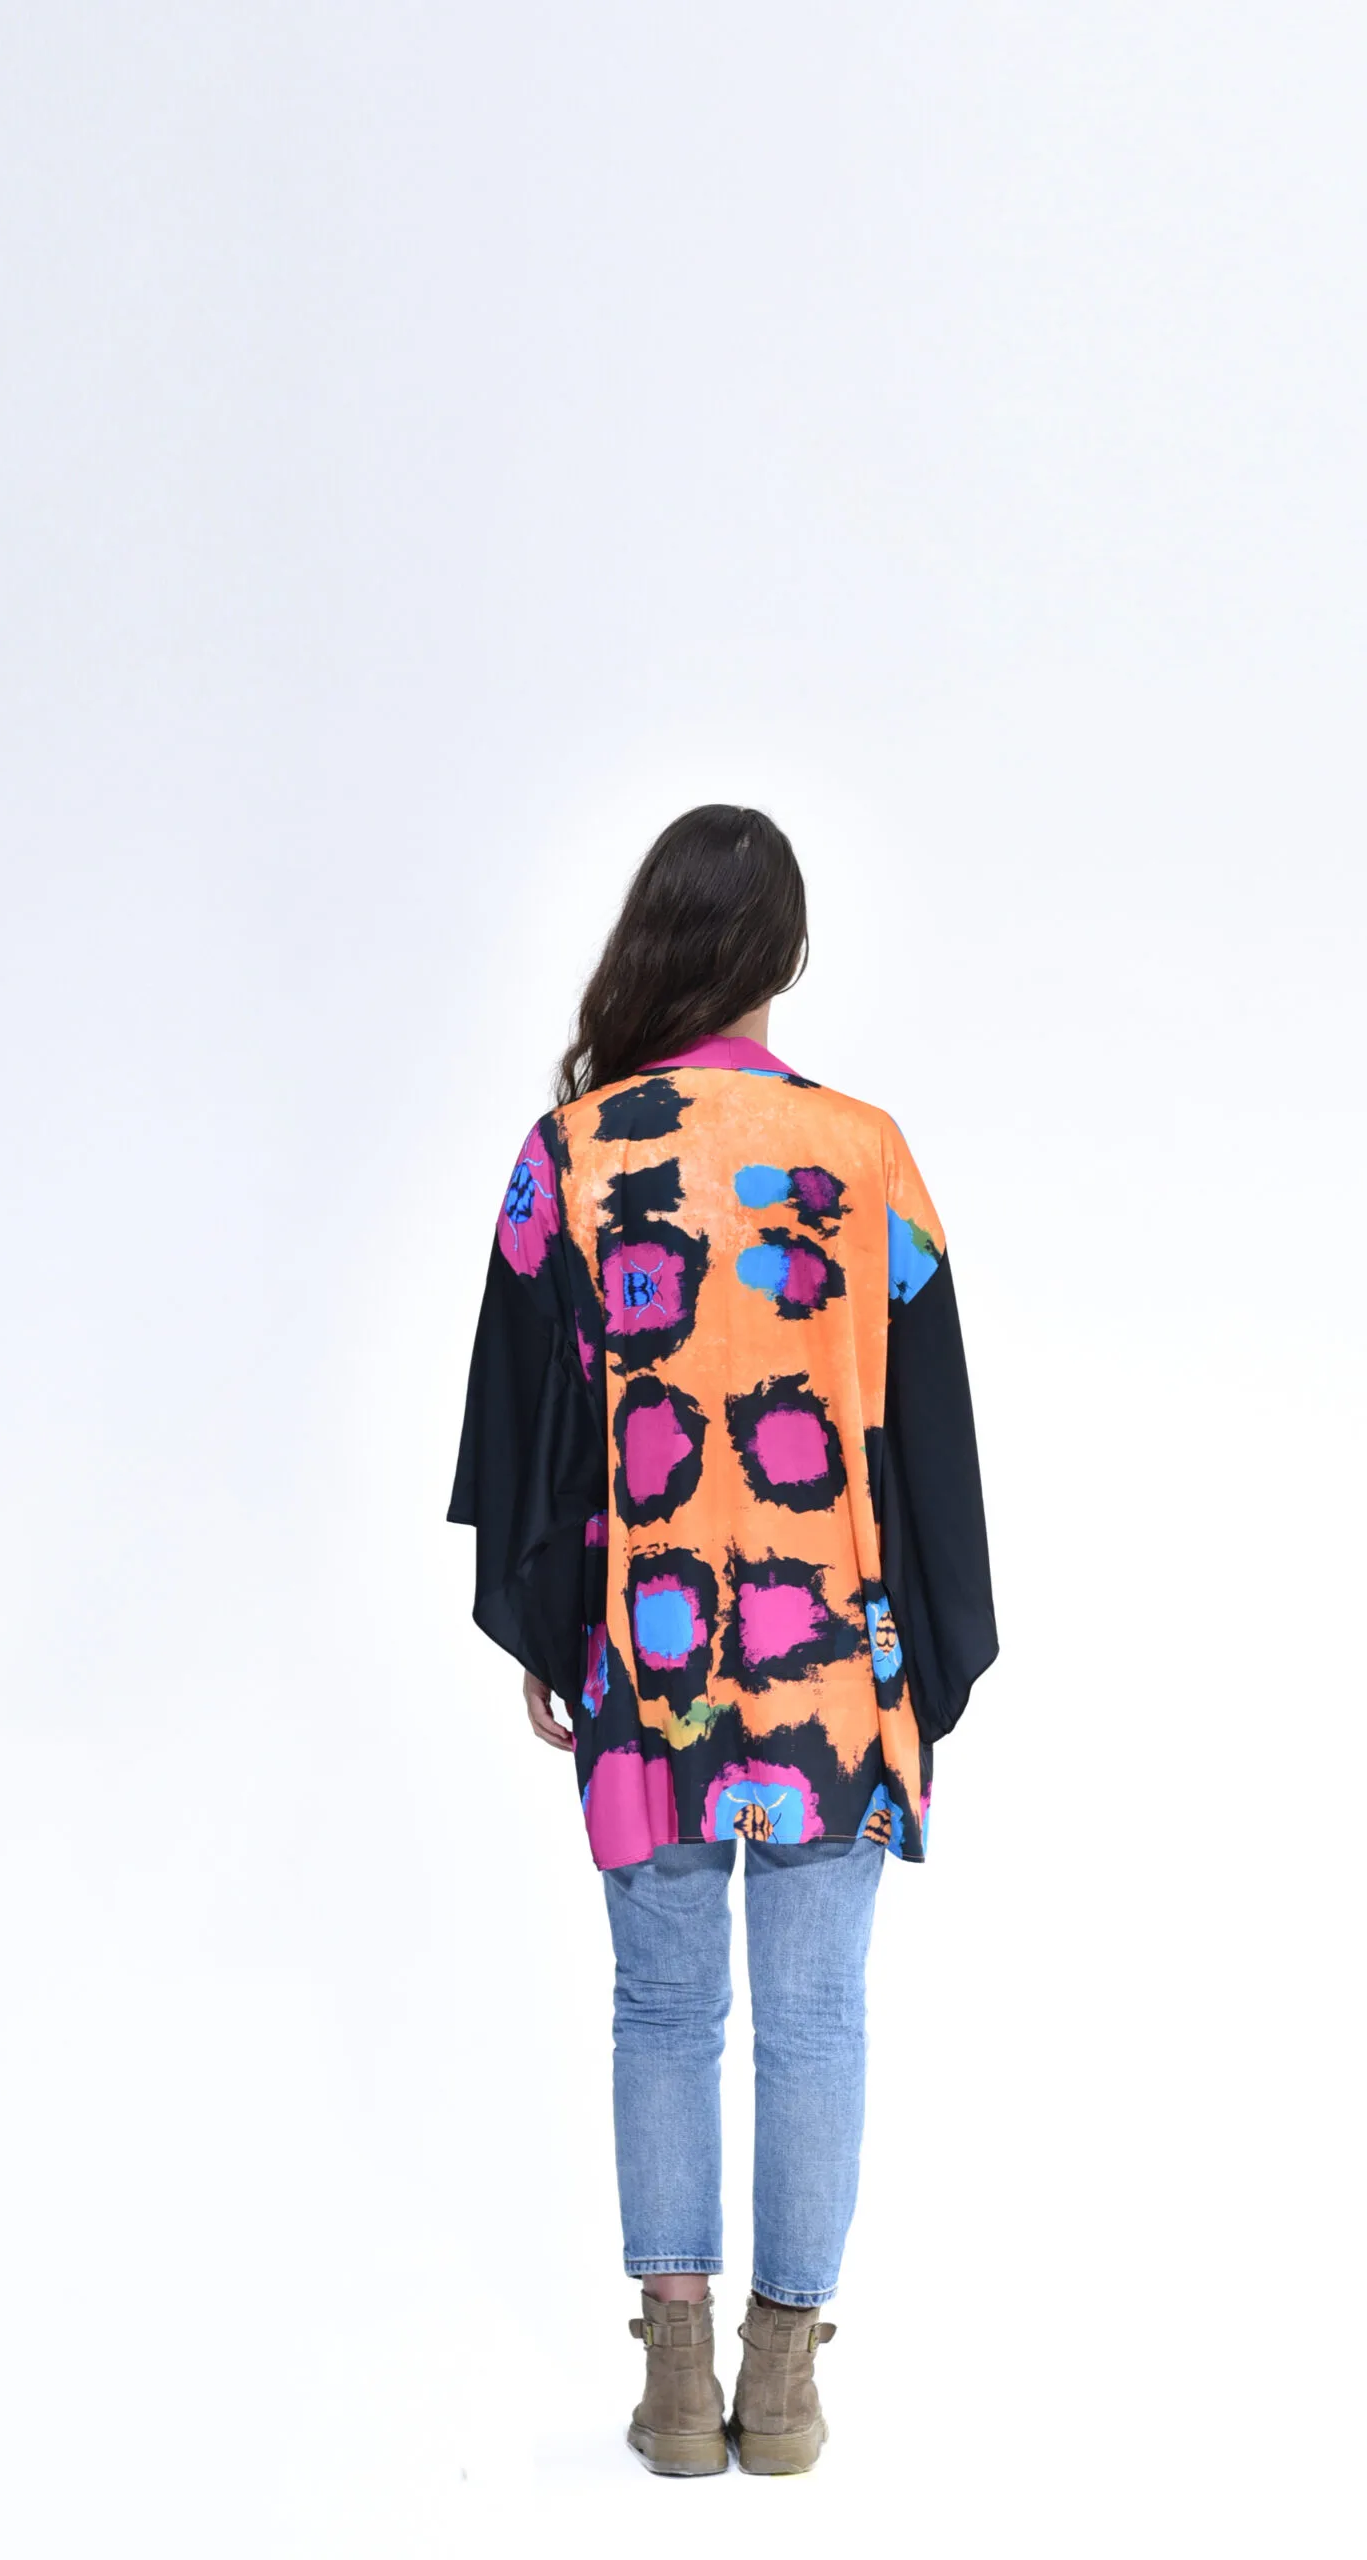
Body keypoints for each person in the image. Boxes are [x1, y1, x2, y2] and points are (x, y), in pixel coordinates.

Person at [448, 804, 997, 2477]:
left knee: (664, 2008)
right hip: (835, 1655)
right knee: (817, 2016)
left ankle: (679, 2388)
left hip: (652, 1653)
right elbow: (931, 1434)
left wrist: (555, 1631)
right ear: (787, 955)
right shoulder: (868, 1158)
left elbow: (526, 1430)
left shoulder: (574, 1156)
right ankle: (789, 2381)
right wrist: (930, 1662)